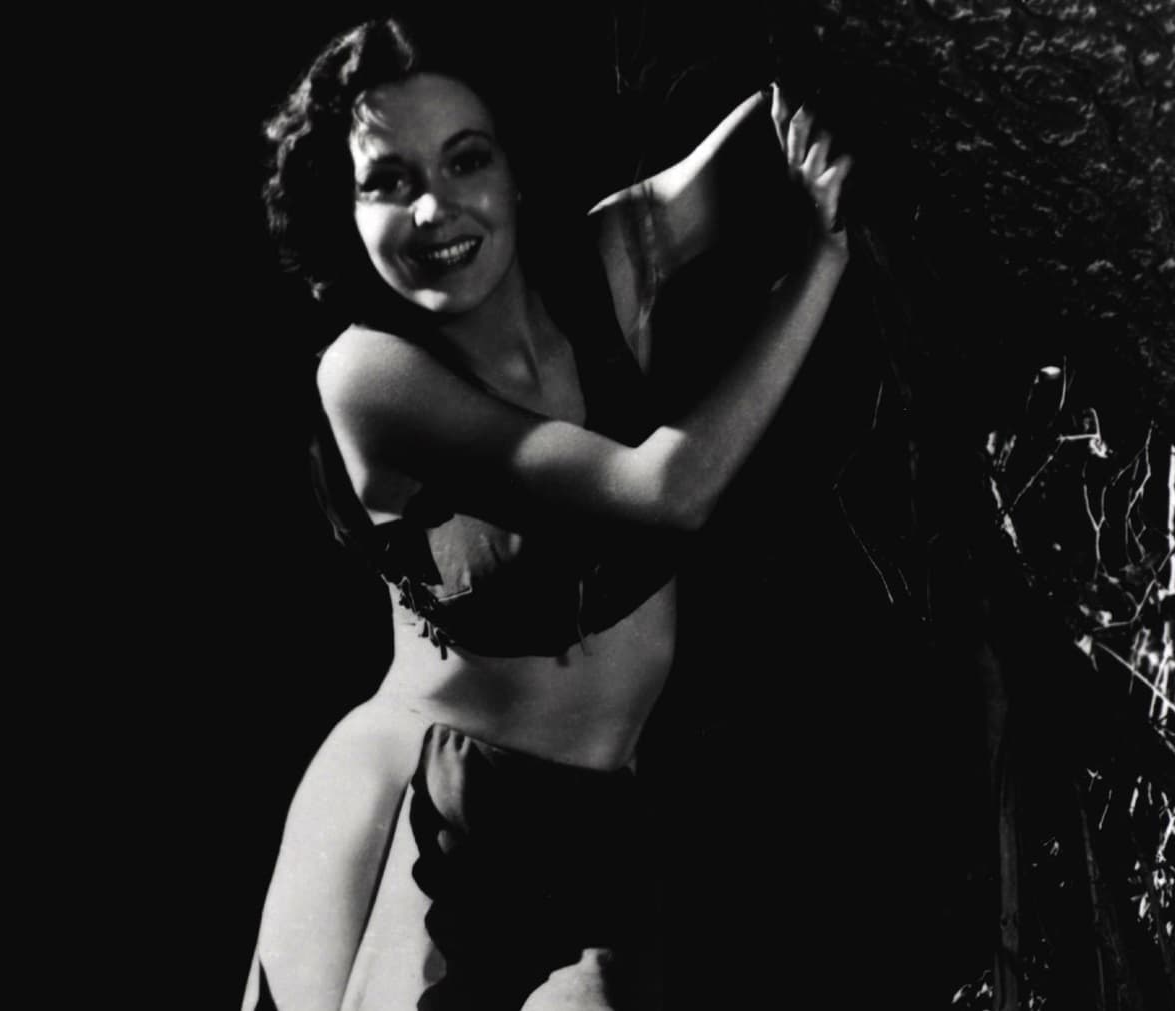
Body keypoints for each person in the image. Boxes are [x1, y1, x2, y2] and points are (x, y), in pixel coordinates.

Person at [244, 15, 852, 1011]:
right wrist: (820, 264)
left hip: (601, 815)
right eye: (388, 180)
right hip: (436, 813)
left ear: (513, 170)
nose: (435, 208)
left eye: (466, 159)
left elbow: (798, 113)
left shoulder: (610, 260)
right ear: (342, 211)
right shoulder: (367, 376)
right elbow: (663, 492)